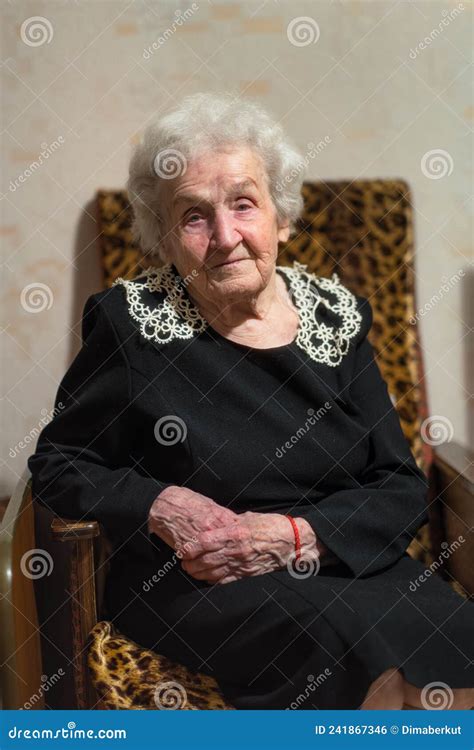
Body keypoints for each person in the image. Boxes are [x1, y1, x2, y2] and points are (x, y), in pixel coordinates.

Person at [28, 92, 474, 710]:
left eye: (244, 204)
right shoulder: (133, 324)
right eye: (193, 216)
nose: (225, 237)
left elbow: (397, 485)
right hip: (202, 579)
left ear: (281, 217)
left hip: (336, 556)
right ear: (163, 237)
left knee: (455, 641)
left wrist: (296, 535)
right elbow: (60, 462)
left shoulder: (336, 319)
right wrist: (158, 502)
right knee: (355, 659)